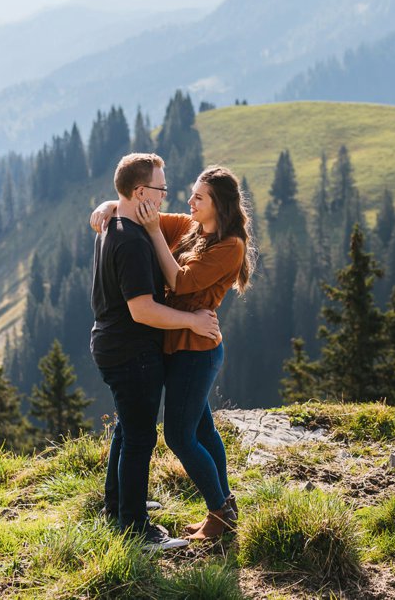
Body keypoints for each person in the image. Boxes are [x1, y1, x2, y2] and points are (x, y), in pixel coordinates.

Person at [92, 164, 255, 541]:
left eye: (199, 196)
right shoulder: (190, 227)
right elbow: (134, 206)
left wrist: (151, 231)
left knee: (180, 437)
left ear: (220, 205)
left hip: (195, 349)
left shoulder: (230, 246)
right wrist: (107, 204)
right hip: (177, 344)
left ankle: (219, 512)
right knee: (202, 428)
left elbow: (180, 282)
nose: (189, 199)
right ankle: (224, 504)